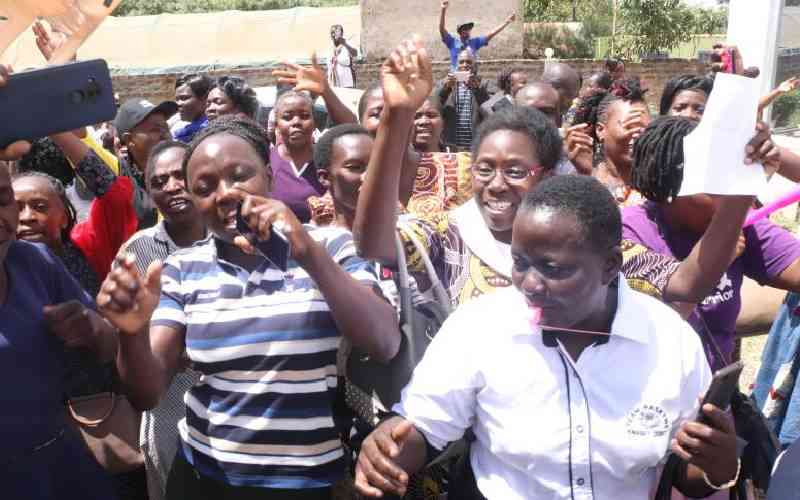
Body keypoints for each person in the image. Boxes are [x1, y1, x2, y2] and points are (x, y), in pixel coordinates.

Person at [353, 175, 739, 500]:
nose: (531, 284)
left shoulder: (670, 342)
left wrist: (716, 466)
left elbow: (687, 475)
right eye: (520, 262)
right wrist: (388, 450)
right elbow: (425, 428)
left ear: (609, 266)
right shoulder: (480, 327)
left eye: (553, 268)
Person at [355, 38, 778, 321]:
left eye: (515, 171)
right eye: (484, 168)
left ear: (544, 176)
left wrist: (740, 183)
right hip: (466, 447)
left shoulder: (582, 242)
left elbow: (688, 282)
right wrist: (397, 114)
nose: (496, 184)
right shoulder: (445, 235)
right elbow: (372, 243)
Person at [97, 116, 400, 499]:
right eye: (204, 188)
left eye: (239, 176)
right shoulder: (183, 269)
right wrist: (131, 332)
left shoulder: (332, 247)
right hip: (207, 479)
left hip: (310, 481)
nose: (224, 194)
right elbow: (147, 392)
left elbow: (384, 341)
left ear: (269, 178)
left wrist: (305, 251)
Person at [624, 116, 800, 370]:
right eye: (715, 172)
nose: (730, 185)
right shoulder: (627, 231)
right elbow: (658, 331)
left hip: (715, 399)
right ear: (672, 178)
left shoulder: (744, 227)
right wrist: (718, 258)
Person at [0, 162, 120, 500]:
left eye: (3, 198)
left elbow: (109, 346)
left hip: (60, 466)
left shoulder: (35, 261)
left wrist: (92, 327)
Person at [113, 140, 205, 500]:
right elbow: (127, 327)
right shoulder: (137, 251)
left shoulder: (235, 237)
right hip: (169, 407)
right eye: (158, 181)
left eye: (179, 175)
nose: (171, 187)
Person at [13, 133, 138, 295]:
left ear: (64, 217)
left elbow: (113, 195)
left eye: (40, 207)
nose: (27, 217)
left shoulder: (87, 247)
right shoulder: (6, 264)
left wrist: (59, 131)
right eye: (16, 209)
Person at [568, 78, 651, 205]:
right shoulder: (577, 180)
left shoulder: (658, 182)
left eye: (644, 127)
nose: (637, 134)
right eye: (629, 126)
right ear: (601, 130)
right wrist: (589, 175)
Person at [115, 98, 177, 228]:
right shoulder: (117, 177)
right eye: (155, 129)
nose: (165, 134)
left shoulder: (188, 168)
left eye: (166, 127)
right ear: (129, 139)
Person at [270, 91, 326, 223]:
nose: (296, 122)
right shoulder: (265, 161)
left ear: (314, 123)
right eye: (287, 117)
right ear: (277, 125)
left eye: (304, 116)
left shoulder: (329, 159)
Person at [515, 82, 579, 176]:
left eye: (547, 112)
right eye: (530, 112)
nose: (538, 119)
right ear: (515, 116)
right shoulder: (498, 157)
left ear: (559, 119)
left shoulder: (572, 162)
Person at [436, 48, 490, 152]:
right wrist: (445, 88)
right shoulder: (446, 84)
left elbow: (490, 109)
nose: (465, 65)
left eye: (469, 62)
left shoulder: (484, 84)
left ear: (475, 65)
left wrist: (477, 89)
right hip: (451, 146)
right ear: (456, 65)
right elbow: (434, 105)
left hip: (475, 147)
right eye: (461, 62)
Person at [438, 0, 516, 70]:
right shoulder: (452, 42)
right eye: (464, 29)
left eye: (469, 29)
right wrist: (443, 10)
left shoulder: (475, 42)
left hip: (471, 79)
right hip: (455, 78)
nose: (467, 31)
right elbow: (442, 29)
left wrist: (507, 22)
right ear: (460, 31)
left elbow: (491, 34)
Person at [173, 74, 213, 143]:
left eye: (184, 98)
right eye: (177, 99)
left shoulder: (211, 132)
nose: (178, 104)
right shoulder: (183, 132)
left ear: (205, 99)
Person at [327, 24, 357, 88]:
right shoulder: (330, 47)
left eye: (335, 32)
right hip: (334, 83)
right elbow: (329, 66)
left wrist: (345, 44)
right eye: (332, 33)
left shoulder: (347, 43)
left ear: (341, 33)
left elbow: (355, 54)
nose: (333, 35)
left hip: (346, 81)